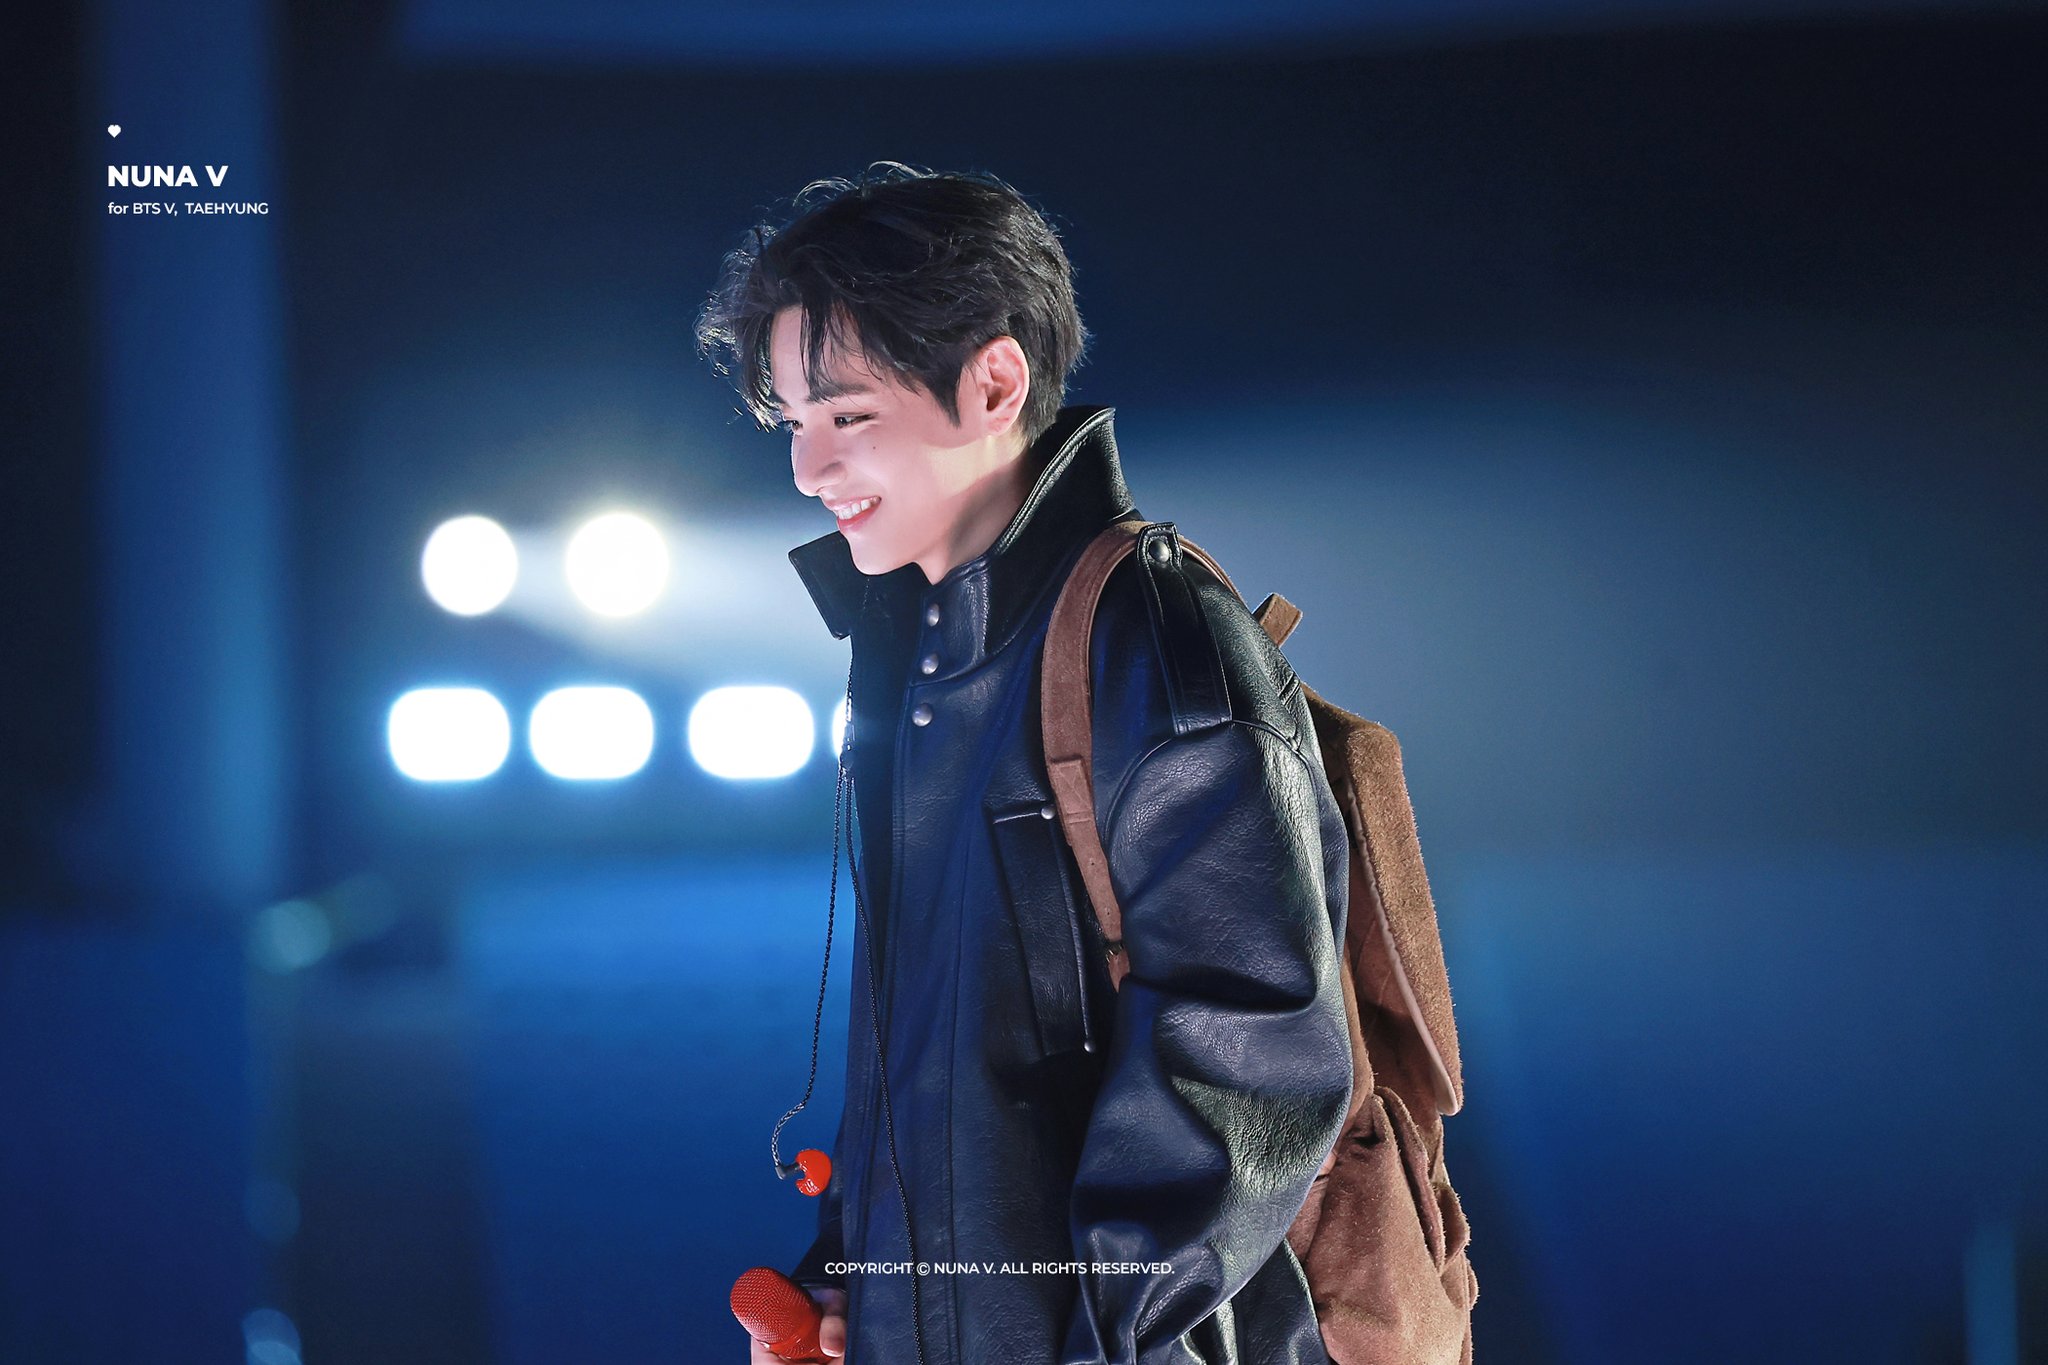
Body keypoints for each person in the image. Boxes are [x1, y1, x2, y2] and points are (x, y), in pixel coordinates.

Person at [697, 161, 1355, 1365]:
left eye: (848, 416)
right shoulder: (917, 657)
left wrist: (1103, 1346)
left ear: (993, 383)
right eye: (794, 424)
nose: (807, 469)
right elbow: (944, 1078)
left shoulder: (1150, 642)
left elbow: (1251, 1062)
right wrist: (858, 1290)